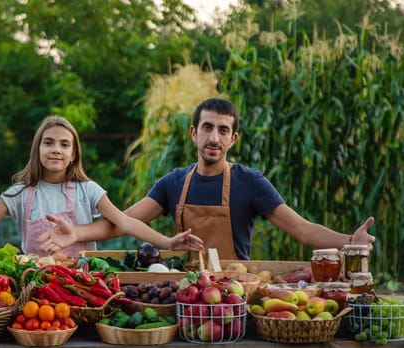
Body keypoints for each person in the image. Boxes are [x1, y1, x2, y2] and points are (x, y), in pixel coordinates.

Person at [39, 97, 376, 259]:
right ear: (193, 133)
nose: (214, 138)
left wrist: (350, 240)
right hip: (184, 293)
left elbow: (300, 228)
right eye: (208, 128)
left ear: (233, 139)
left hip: (234, 293)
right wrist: (78, 233)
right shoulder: (173, 182)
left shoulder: (250, 182)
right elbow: (121, 222)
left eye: (223, 130)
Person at [0, 116, 204, 257]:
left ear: (73, 154)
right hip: (34, 283)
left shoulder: (87, 189)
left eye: (64, 144)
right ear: (37, 150)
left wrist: (168, 241)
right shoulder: (19, 194)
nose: (56, 149)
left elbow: (124, 221)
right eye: (48, 142)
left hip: (82, 284)